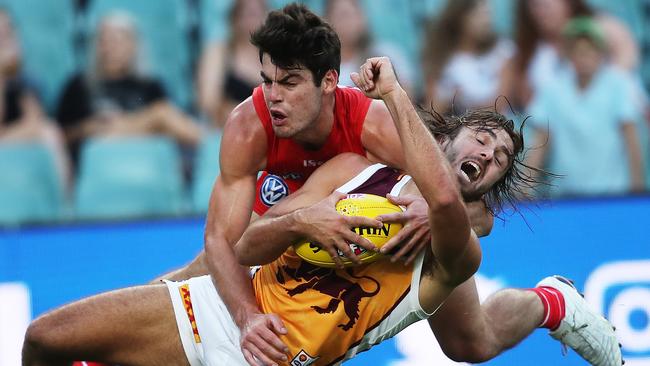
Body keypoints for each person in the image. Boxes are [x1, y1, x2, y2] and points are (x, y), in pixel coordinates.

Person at [155, 4, 619, 365]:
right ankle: (148, 305)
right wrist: (246, 313)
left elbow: (474, 212)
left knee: (471, 344)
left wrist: (432, 210)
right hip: (306, 216)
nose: (276, 95)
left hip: (387, 237)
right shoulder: (250, 125)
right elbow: (227, 241)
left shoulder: (375, 127)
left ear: (327, 82)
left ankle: (552, 303)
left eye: (292, 82)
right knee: (206, 264)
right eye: (271, 82)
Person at [56, 11, 201, 166]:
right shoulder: (78, 85)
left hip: (144, 160)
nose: (111, 47)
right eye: (105, 40)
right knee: (161, 114)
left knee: (162, 114)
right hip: (97, 157)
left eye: (119, 40)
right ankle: (214, 143)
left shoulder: (150, 85)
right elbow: (58, 137)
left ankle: (211, 144)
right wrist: (85, 128)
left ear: (133, 46)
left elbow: (167, 137)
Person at [525, 17, 645, 196]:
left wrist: (637, 192)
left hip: (613, 195)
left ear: (601, 53)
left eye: (590, 50)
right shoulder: (552, 89)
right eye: (578, 51)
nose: (584, 57)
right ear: (568, 54)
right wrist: (525, 189)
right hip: (566, 197)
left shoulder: (618, 85)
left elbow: (631, 141)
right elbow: (541, 143)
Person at [500, 0, 641, 112]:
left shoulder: (603, 27)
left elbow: (626, 65)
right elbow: (529, 106)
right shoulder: (526, 53)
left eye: (548, 3)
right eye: (535, 4)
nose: (543, 9)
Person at [0, 8, 69, 187]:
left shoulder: (25, 78)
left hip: (10, 147)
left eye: (8, 30)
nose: (4, 37)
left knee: (50, 133)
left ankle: (61, 208)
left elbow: (35, 122)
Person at [422, 0, 513, 115]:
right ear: (461, 16)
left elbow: (500, 105)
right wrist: (449, 98)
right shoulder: (441, 58)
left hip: (496, 128)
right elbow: (431, 112)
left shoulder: (502, 50)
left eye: (488, 14)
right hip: (451, 129)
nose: (487, 21)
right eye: (479, 14)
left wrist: (460, 101)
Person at [196, 0, 268, 127]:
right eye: (247, 13)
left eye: (256, 12)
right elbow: (208, 103)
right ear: (235, 17)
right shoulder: (220, 52)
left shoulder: (275, 57)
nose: (252, 18)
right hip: (229, 128)